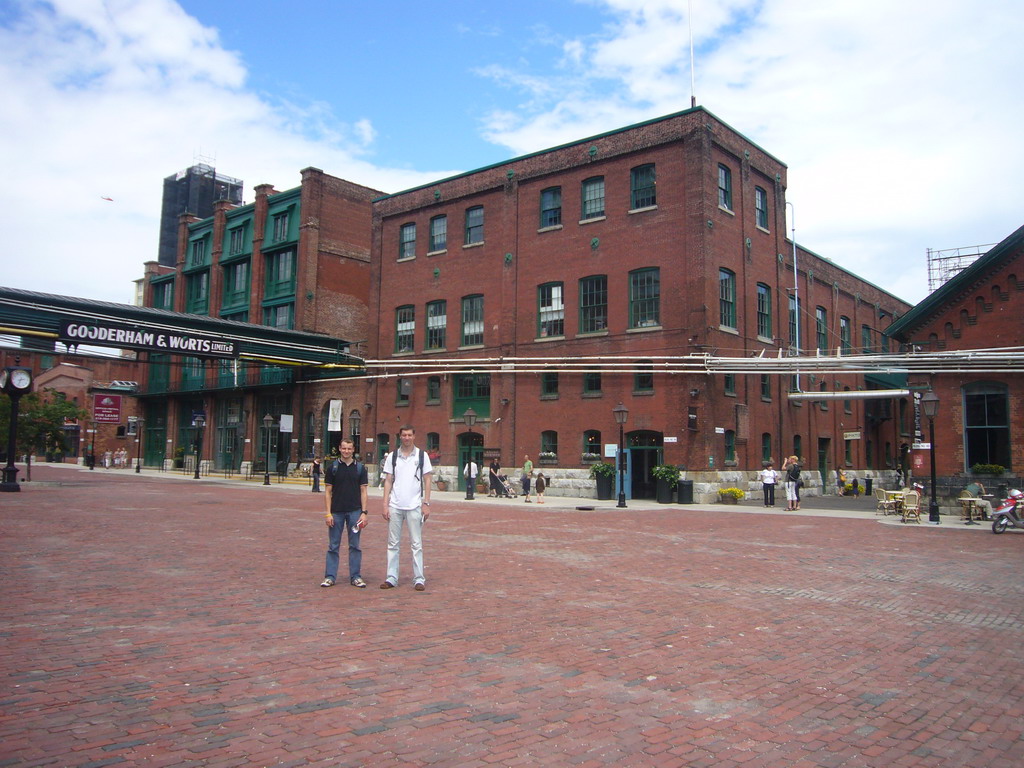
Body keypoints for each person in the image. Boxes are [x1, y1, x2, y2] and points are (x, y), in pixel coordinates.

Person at [380, 426, 433, 591]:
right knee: (392, 544)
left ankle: (419, 578)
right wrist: (385, 504)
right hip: (395, 505)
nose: (407, 438)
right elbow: (388, 480)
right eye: (404, 435)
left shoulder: (422, 456)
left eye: (409, 435)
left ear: (414, 436)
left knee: (416, 544)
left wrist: (426, 503)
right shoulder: (393, 456)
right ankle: (391, 577)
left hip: (414, 506)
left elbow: (428, 479)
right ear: (400, 437)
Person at [321, 439, 369, 588]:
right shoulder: (333, 468)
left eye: (349, 448)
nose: (346, 451)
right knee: (333, 545)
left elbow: (364, 491)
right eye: (344, 448)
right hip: (336, 512)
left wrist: (364, 512)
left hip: (355, 511)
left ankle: (355, 576)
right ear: (340, 449)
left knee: (355, 545)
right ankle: (330, 576)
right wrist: (328, 513)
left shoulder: (360, 469)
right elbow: (328, 492)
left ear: (353, 449)